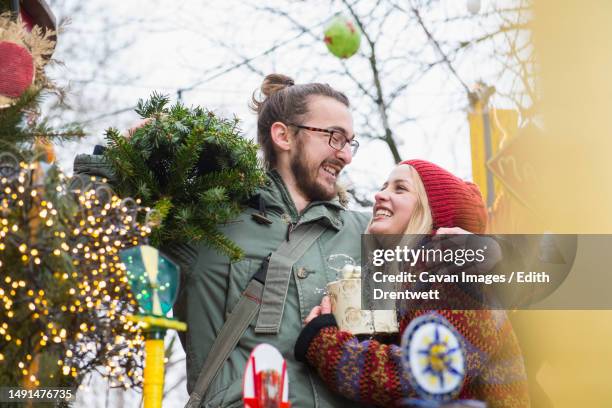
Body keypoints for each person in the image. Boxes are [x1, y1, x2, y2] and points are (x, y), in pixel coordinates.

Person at [294, 160, 530, 407]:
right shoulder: (405, 281)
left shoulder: (455, 274)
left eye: (400, 189)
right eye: (384, 186)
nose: (380, 195)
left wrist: (325, 343)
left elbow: (424, 376)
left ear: (431, 212)